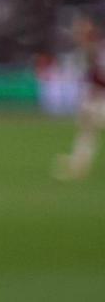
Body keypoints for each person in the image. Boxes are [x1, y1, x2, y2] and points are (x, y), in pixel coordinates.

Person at [53, 10, 97, 182]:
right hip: (94, 96)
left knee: (87, 131)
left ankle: (78, 165)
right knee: (87, 132)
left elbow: (95, 73)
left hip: (97, 97)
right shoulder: (90, 49)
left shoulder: (92, 49)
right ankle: (78, 164)